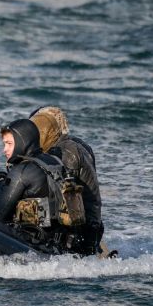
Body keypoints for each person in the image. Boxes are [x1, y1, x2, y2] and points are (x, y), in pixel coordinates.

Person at [29, 106, 103, 255]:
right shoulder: (79, 145)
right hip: (93, 226)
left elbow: (56, 197)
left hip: (78, 233)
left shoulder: (62, 153)